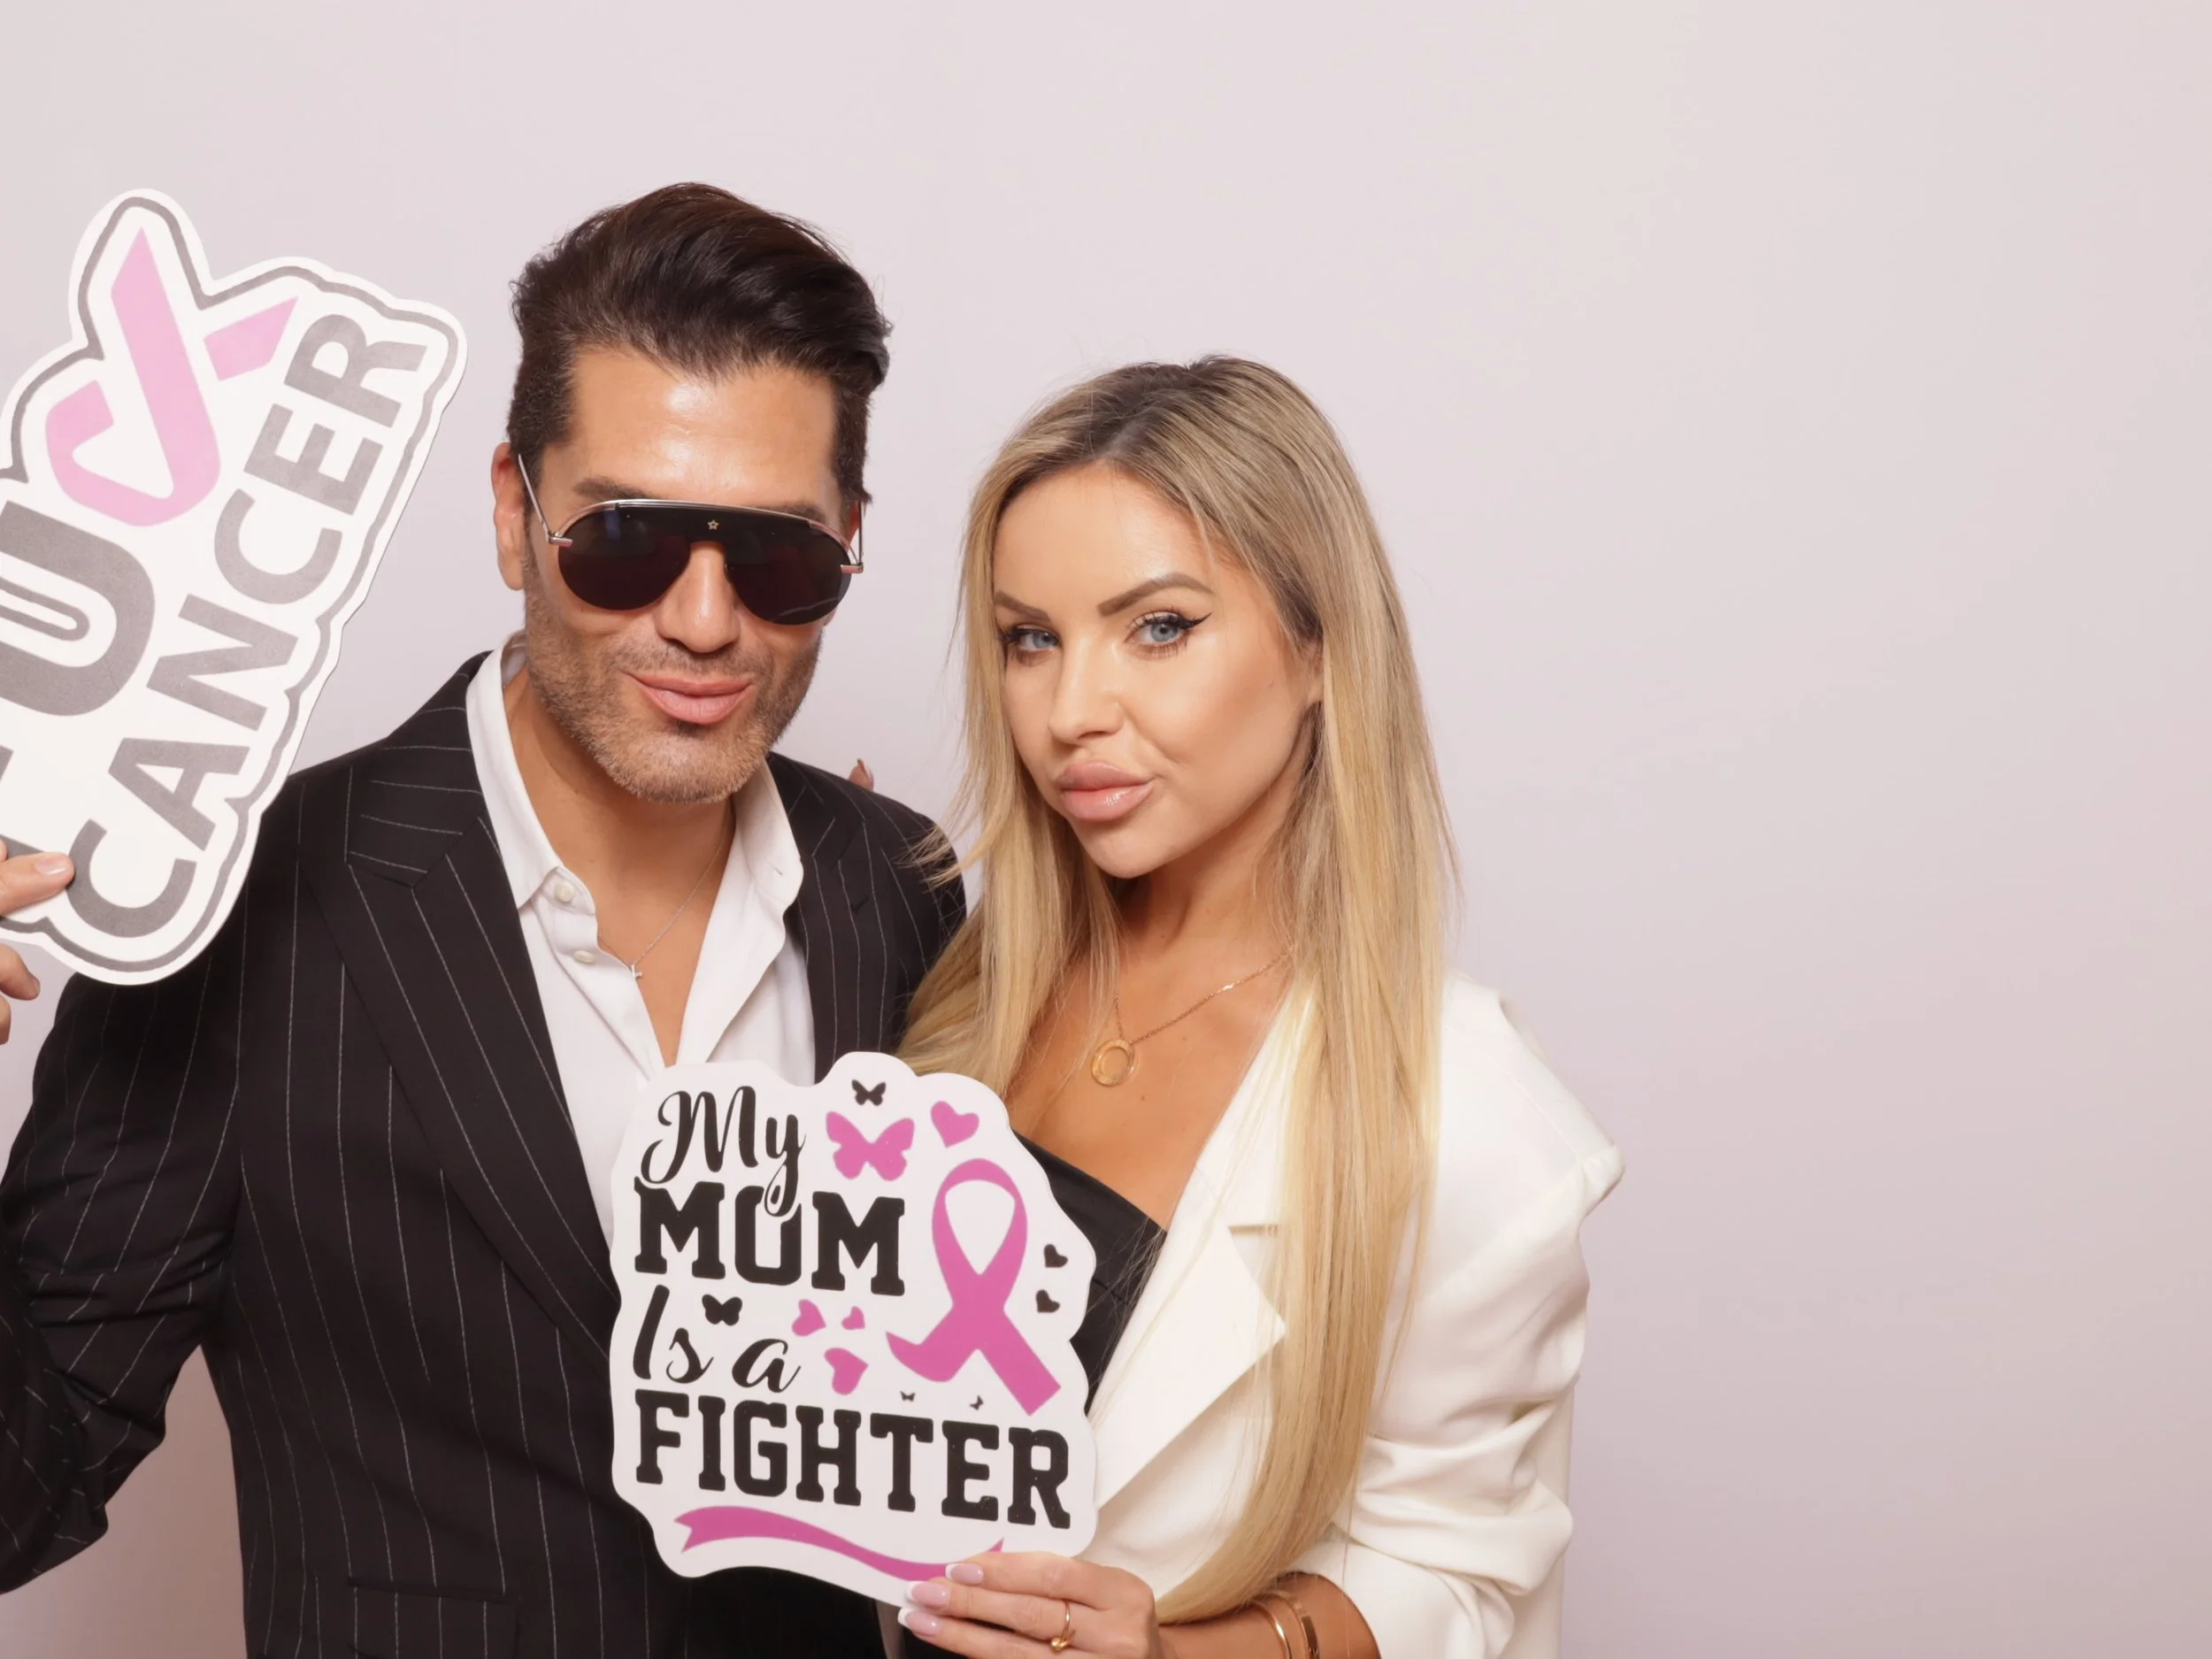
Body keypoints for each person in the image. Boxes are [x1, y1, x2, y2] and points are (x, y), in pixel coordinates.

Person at [0, 184, 959, 1657]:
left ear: (847, 544)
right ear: (516, 513)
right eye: (628, 539)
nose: (705, 621)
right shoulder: (240, 916)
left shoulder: (907, 897)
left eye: (775, 558)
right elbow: (23, 1474)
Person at [892, 358, 1623, 1659]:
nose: (1071, 712)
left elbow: (1461, 1578)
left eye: (1159, 627)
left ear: (1318, 649)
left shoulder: (1464, 1112)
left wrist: (1170, 1655)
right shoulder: (945, 990)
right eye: (1030, 638)